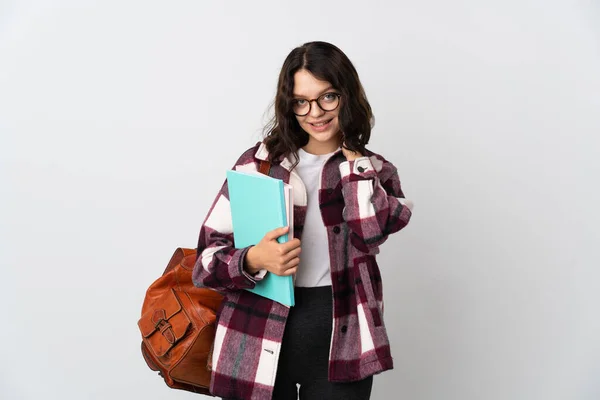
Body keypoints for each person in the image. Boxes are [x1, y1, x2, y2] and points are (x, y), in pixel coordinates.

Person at [192, 41, 413, 400]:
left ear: (347, 95)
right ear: (288, 105)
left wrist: (354, 165)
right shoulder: (257, 166)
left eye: (328, 97)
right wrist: (253, 259)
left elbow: (369, 235)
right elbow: (203, 265)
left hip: (343, 344)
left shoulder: (373, 171)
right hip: (254, 338)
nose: (315, 112)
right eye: (301, 101)